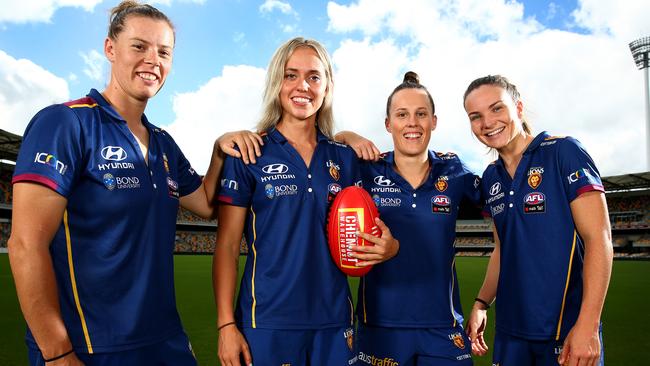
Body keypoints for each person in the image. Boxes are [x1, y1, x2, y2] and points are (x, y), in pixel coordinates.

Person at [7, 1, 260, 365]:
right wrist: (58, 352)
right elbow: (25, 245)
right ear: (111, 48)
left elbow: (206, 203)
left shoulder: (164, 144)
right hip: (91, 348)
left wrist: (219, 150)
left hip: (165, 343)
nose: (152, 60)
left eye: (164, 52)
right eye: (139, 46)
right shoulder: (65, 124)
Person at [213, 36, 398, 366]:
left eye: (314, 76)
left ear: (327, 86)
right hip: (266, 323)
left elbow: (376, 224)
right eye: (291, 75)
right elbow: (227, 246)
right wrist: (226, 325)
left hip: (336, 323)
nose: (303, 86)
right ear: (276, 83)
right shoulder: (248, 153)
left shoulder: (346, 158)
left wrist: (386, 245)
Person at [462, 75, 613, 366]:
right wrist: (482, 303)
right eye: (475, 116)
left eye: (497, 108)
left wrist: (588, 325)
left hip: (564, 331)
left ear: (518, 108)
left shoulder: (563, 152)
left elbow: (599, 238)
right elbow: (502, 248)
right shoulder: (491, 176)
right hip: (510, 334)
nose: (487, 122)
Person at [336, 72, 480, 365]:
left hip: (442, 327)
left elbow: (503, 202)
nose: (412, 123)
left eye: (421, 114)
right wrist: (347, 136)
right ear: (388, 124)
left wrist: (483, 303)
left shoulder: (455, 171)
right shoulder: (368, 170)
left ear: (434, 122)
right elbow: (328, 146)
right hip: (379, 326)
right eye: (402, 114)